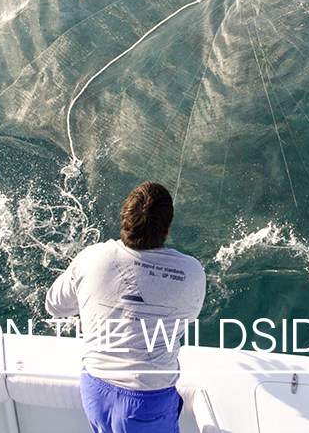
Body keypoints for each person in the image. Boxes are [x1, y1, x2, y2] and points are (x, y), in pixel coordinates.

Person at [45, 181, 206, 433]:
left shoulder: (91, 256)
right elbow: (189, 316)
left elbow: (54, 305)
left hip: (95, 390)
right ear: (166, 231)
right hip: (147, 402)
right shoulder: (192, 271)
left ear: (124, 222)